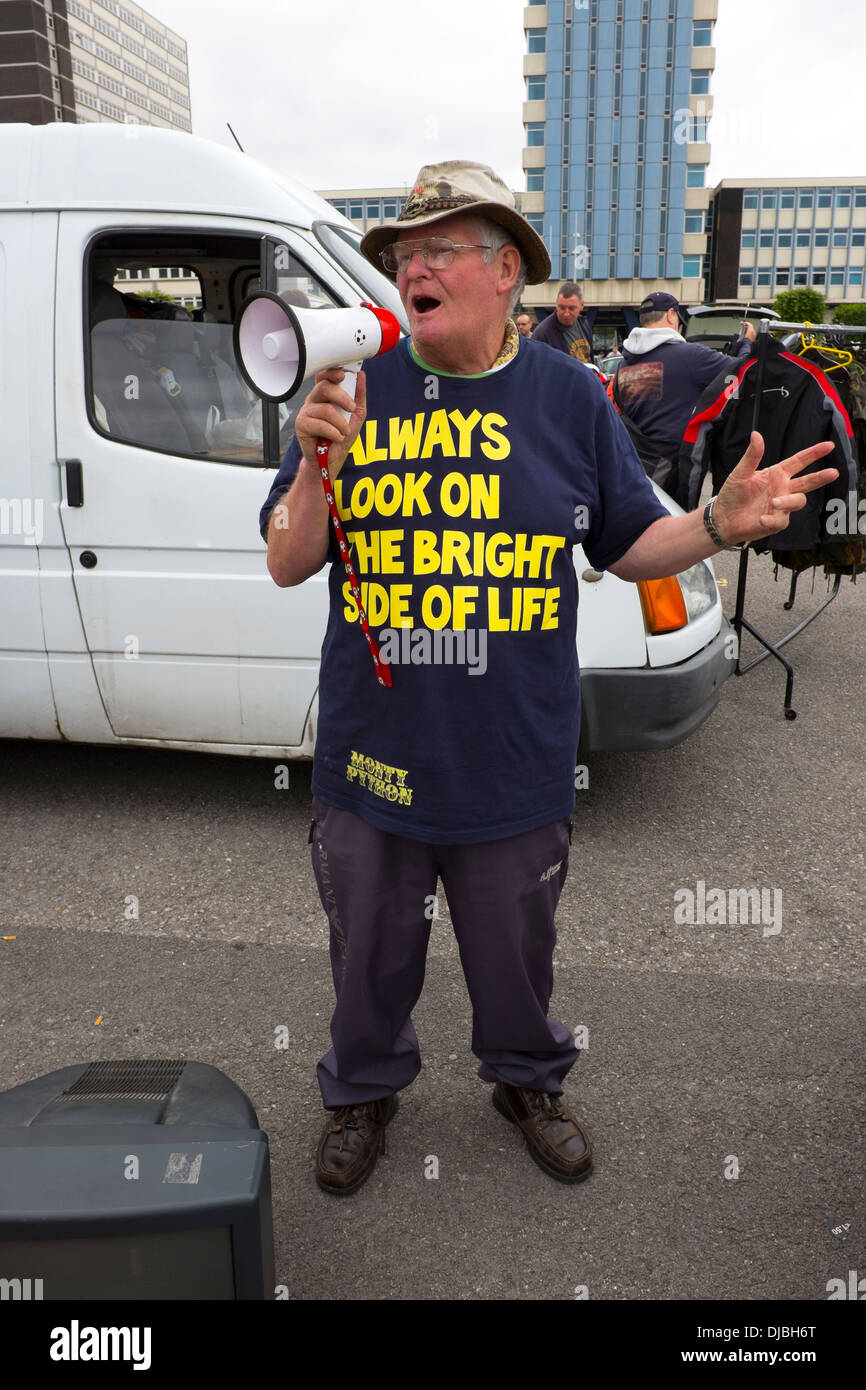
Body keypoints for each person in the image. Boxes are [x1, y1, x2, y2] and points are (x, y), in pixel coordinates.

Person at [259, 159, 837, 1197]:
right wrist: (312, 466)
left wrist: (711, 523)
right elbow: (288, 558)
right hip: (374, 754)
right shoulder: (352, 384)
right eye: (402, 251)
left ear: (502, 271)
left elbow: (628, 542)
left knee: (516, 952)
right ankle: (361, 1089)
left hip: (516, 758)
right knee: (367, 958)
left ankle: (525, 1078)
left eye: (437, 248)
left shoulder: (569, 396)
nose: (409, 265)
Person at [612, 291, 757, 498]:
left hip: (633, 467)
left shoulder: (623, 366)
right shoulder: (691, 357)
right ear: (671, 315)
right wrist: (747, 344)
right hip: (674, 471)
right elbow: (741, 372)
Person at [531, 281, 595, 362]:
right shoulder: (543, 333)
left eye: (571, 308)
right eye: (562, 308)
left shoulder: (584, 323)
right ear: (556, 304)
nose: (566, 314)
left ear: (581, 305)